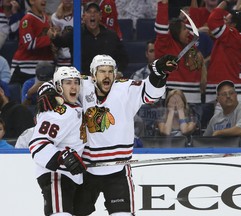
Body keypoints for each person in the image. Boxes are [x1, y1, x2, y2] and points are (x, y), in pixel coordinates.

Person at [37, 54, 178, 215]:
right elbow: (59, 80)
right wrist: (46, 90)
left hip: (118, 171)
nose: (107, 75)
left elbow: (152, 93)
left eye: (110, 71)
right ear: (93, 75)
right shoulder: (82, 84)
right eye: (102, 71)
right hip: (87, 170)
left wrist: (158, 74)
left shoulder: (126, 89)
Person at [29, 66, 87, 216]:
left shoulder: (73, 106)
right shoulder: (58, 112)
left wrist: (46, 87)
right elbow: (37, 144)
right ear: (59, 87)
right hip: (56, 175)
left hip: (68, 176)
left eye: (76, 82)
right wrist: (62, 158)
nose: (74, 86)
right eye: (68, 83)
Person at [50, 2, 128, 75]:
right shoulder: (76, 34)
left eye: (95, 12)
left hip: (105, 80)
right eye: (89, 12)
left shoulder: (111, 35)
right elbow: (60, 42)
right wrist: (53, 36)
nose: (92, 15)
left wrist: (119, 72)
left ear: (100, 16)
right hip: (83, 80)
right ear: (83, 17)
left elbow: (123, 57)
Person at [155, 0, 207, 104]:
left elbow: (194, 17)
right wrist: (163, 4)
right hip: (172, 100)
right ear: (175, 32)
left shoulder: (191, 43)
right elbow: (161, 26)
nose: (188, 31)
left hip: (195, 101)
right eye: (184, 29)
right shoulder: (165, 46)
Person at [205, 0, 241, 105]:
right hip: (238, 86)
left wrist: (225, 1)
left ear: (233, 25)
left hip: (229, 89)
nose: (223, 22)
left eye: (226, 20)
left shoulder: (232, 37)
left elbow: (212, 20)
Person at [204, 80, 241, 146]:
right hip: (227, 154)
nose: (228, 96)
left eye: (231, 93)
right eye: (224, 94)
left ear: (236, 95)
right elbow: (204, 140)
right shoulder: (215, 119)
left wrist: (219, 133)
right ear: (218, 99)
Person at [10, 0, 54, 85]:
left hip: (44, 67)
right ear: (32, 1)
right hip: (24, 68)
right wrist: (51, 38)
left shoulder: (47, 19)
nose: (44, 1)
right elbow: (29, 44)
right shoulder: (27, 20)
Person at [50, 0, 74, 67]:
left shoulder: (82, 13)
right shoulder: (54, 17)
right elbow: (53, 43)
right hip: (62, 59)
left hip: (79, 57)